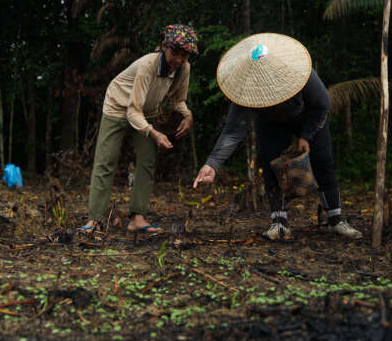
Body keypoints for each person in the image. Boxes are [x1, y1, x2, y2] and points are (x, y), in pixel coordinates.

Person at [192, 33, 362, 241]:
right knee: (272, 165)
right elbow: (233, 129)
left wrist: (305, 136)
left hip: (308, 118)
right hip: (271, 123)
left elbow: (322, 106)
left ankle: (335, 220)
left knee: (323, 161)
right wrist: (212, 164)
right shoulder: (246, 89)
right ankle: (279, 222)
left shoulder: (302, 74)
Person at [80, 24, 198, 234]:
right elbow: (133, 111)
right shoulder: (147, 66)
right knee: (105, 161)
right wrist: (154, 132)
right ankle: (95, 220)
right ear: (164, 47)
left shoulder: (184, 69)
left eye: (185, 55)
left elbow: (179, 100)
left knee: (147, 160)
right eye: (175, 53)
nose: (179, 60)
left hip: (147, 110)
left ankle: (137, 218)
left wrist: (188, 116)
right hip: (118, 106)